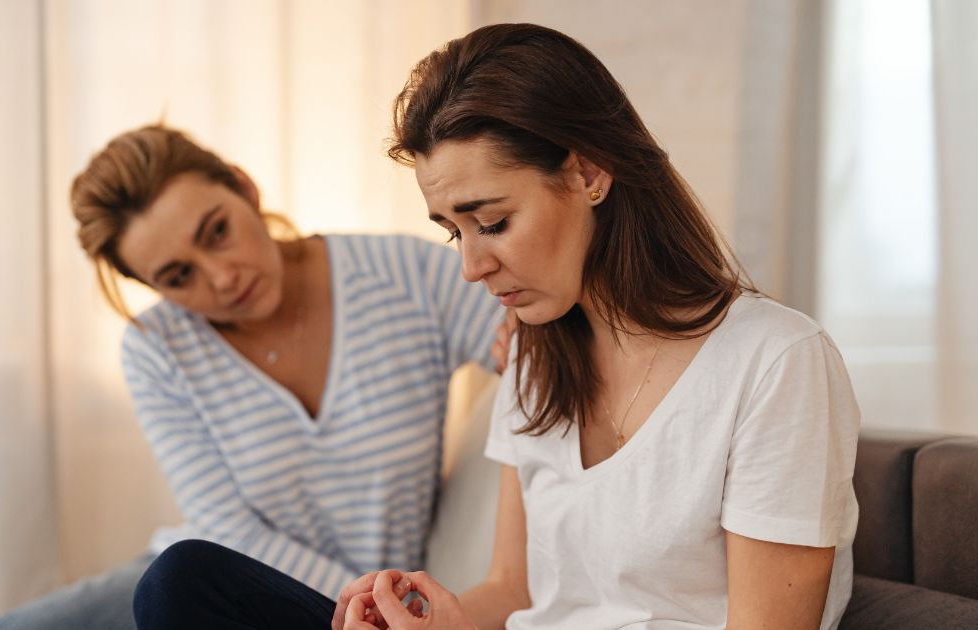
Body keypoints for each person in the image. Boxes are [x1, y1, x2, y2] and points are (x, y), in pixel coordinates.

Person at [133, 23, 861, 630]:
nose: (472, 267)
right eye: (455, 232)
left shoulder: (776, 362)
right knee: (183, 582)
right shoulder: (538, 358)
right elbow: (514, 594)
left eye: (492, 222)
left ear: (590, 173)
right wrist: (435, 619)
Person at [0, 124, 506, 630]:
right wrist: (365, 607)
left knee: (176, 579)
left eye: (217, 232)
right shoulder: (157, 349)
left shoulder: (400, 275)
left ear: (244, 188)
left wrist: (524, 341)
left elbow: (537, 329)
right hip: (221, 586)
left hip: (350, 604)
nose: (223, 277)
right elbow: (228, 529)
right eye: (179, 276)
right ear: (153, 286)